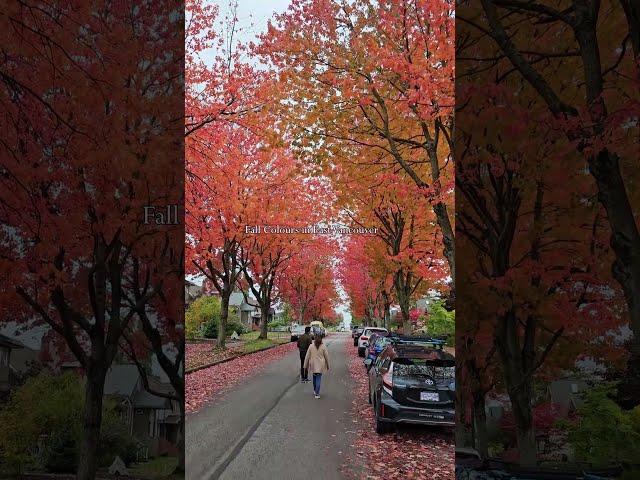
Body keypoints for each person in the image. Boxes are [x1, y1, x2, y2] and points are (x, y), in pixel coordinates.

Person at [303, 334, 330, 399]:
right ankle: (317, 394)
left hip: (313, 365)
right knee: (318, 378)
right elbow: (327, 357)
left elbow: (307, 356)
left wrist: (305, 365)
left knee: (314, 378)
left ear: (315, 339)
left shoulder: (311, 346)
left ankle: (315, 390)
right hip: (320, 365)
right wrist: (328, 365)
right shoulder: (323, 346)